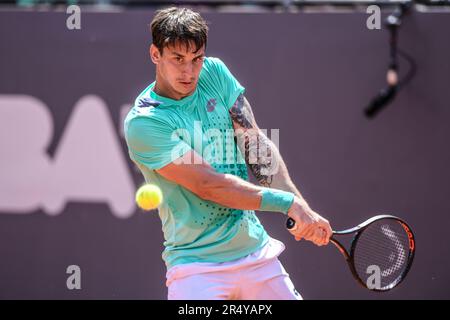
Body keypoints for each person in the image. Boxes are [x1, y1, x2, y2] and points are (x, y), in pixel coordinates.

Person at [124, 7, 332, 300]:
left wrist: (300, 206)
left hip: (257, 255)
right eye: (178, 59)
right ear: (155, 54)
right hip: (196, 269)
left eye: (196, 59)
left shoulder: (215, 73)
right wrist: (287, 204)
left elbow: (254, 143)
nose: (189, 71)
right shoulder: (145, 122)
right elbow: (209, 185)